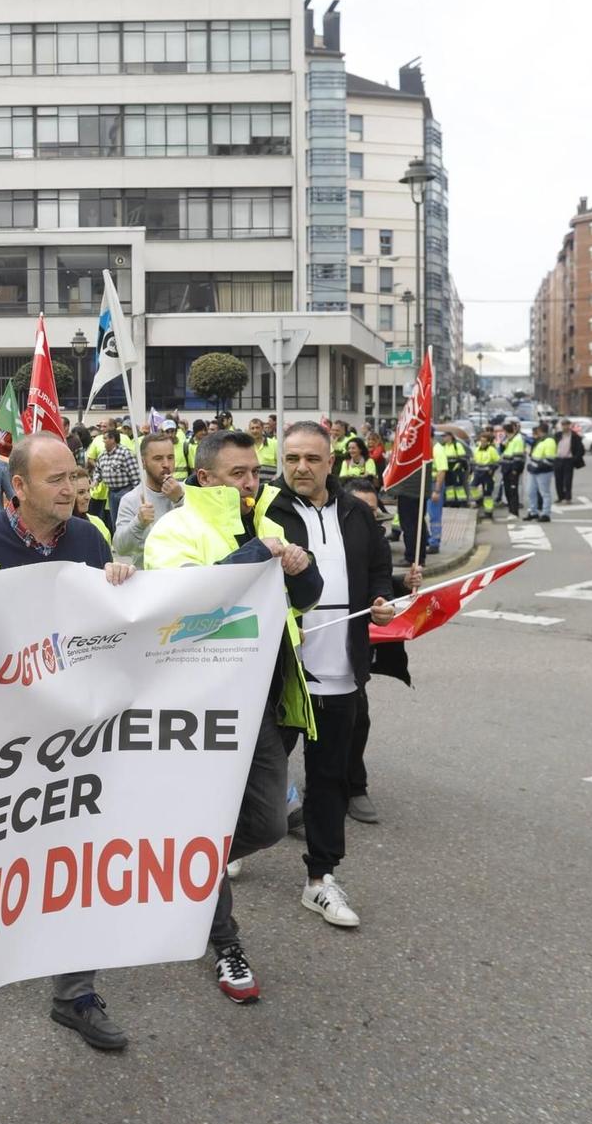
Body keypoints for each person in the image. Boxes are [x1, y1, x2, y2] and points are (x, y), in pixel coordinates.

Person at [0, 433, 135, 1048]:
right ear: (19, 487)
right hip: (0, 739)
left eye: (75, 476)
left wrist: (120, 580)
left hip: (74, 731)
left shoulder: (89, 538)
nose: (73, 489)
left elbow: (109, 622)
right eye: (57, 480)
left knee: (81, 851)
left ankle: (76, 993)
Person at [142, 428, 322, 1001]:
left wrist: (298, 566)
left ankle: (188, 873)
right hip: (201, 712)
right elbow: (190, 605)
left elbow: (306, 597)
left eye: (255, 471)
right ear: (205, 479)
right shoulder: (173, 531)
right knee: (209, 823)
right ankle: (226, 944)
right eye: (239, 474)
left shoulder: (267, 525)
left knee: (267, 824)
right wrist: (256, 556)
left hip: (263, 706)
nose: (252, 482)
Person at [267, 425, 395, 928]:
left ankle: (321, 879)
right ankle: (235, 844)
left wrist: (381, 600)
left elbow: (380, 568)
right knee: (258, 771)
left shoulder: (357, 513)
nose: (301, 467)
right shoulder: (266, 512)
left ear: (330, 461)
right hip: (284, 671)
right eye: (293, 457)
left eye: (312, 459)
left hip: (342, 671)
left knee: (328, 780)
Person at [340, 481, 418, 824]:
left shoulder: (377, 544)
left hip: (352, 650)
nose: (366, 517)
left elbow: (377, 579)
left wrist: (400, 585)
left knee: (357, 718)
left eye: (372, 512)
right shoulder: (317, 535)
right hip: (307, 644)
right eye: (359, 508)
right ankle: (282, 797)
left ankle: (355, 787)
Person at [111, 430, 185, 566]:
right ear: (143, 462)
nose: (166, 464)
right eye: (158, 458)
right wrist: (139, 522)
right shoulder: (131, 499)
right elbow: (120, 548)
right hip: (148, 578)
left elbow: (199, 532)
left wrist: (180, 500)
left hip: (183, 574)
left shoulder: (186, 491)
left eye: (170, 457)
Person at [96, 422, 140, 526]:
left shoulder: (125, 453)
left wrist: (136, 494)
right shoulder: (102, 455)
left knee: (126, 519)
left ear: (113, 440)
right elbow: (98, 471)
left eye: (105, 438)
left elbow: (135, 475)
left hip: (125, 491)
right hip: (111, 493)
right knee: (114, 521)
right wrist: (95, 481)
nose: (103, 441)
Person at [72, 467, 113, 549]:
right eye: (81, 492)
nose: (88, 497)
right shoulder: (55, 530)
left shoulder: (98, 523)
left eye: (89, 491)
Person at [525, 422, 556, 519]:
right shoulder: (541, 440)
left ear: (540, 430)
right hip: (534, 470)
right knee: (531, 491)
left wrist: (537, 467)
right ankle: (533, 512)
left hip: (543, 471)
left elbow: (550, 459)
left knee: (544, 493)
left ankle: (545, 514)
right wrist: (532, 466)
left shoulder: (549, 441)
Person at [471, 429, 501, 519]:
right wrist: (473, 468)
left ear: (488, 442)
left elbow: (497, 461)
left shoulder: (491, 450)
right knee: (472, 487)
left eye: (484, 441)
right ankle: (479, 501)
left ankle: (488, 512)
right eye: (481, 441)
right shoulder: (477, 449)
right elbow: (474, 461)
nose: (482, 443)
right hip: (478, 473)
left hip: (487, 475)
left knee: (487, 494)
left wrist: (492, 469)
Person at [499, 420, 526, 519]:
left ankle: (514, 512)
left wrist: (515, 470)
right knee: (507, 491)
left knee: (512, 491)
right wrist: (503, 442)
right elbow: (503, 450)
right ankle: (511, 511)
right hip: (506, 468)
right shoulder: (510, 439)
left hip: (512, 469)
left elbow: (518, 457)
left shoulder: (517, 439)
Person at [554, 420, 585, 504]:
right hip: (558, 460)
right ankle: (560, 497)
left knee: (567, 481)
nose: (565, 427)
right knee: (558, 480)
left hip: (568, 461)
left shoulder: (575, 436)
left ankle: (568, 498)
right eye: (563, 425)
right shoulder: (557, 435)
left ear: (570, 426)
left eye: (567, 425)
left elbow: (581, 450)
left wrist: (574, 459)